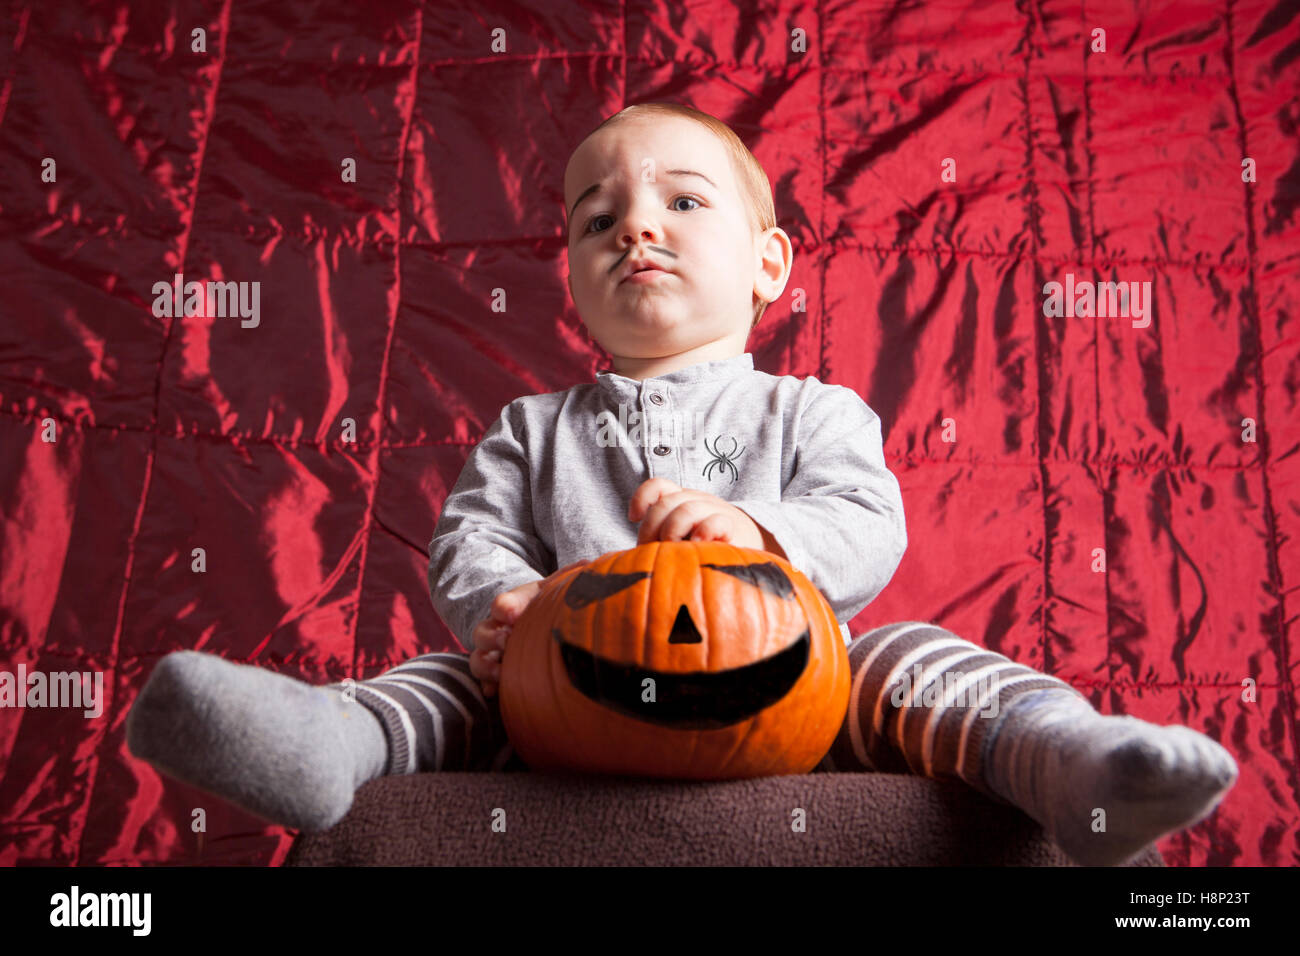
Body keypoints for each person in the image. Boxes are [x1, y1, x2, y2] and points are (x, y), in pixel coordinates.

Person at [127, 102, 1237, 866]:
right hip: (561, 698)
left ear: (768, 262)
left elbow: (865, 525)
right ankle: (332, 743)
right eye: (597, 220)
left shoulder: (810, 411)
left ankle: (1067, 755)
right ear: (571, 277)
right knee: (445, 680)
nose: (636, 228)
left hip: (796, 697)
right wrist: (497, 609)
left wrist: (752, 527)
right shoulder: (533, 425)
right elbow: (470, 539)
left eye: (682, 204)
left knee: (909, 656)